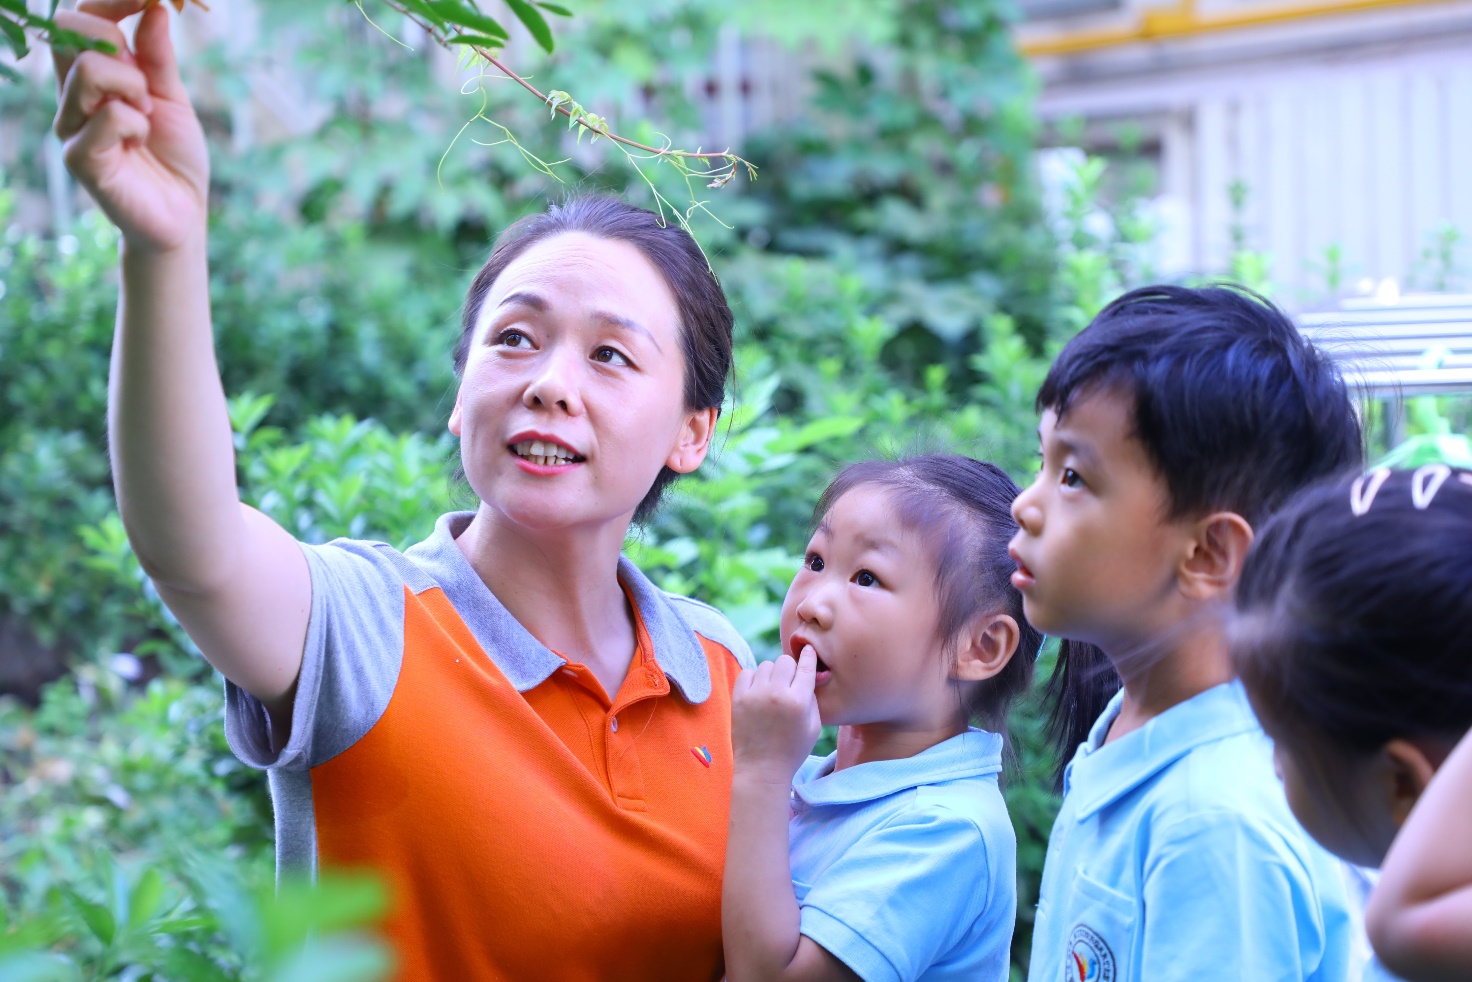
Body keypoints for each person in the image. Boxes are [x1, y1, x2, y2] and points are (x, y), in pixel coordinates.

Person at [49, 2, 754, 978]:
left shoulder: (722, 669)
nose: (549, 380)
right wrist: (163, 246)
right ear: (460, 396)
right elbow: (192, 544)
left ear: (691, 432)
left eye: (609, 355)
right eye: (513, 338)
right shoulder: (364, 629)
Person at [1011, 285, 1361, 982]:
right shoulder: (1138, 729)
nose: (1026, 504)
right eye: (1043, 462)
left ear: (1207, 555)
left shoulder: (1215, 820)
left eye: (1073, 476)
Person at [722, 455, 1041, 982]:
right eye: (816, 561)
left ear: (980, 646)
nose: (812, 605)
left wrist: (759, 774)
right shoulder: (807, 779)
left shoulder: (949, 827)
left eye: (866, 578)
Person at [1232, 465, 1472, 982]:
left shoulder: (1422, 942)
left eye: (1278, 740)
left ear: (1402, 783)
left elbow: (1402, 925)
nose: (1273, 768)